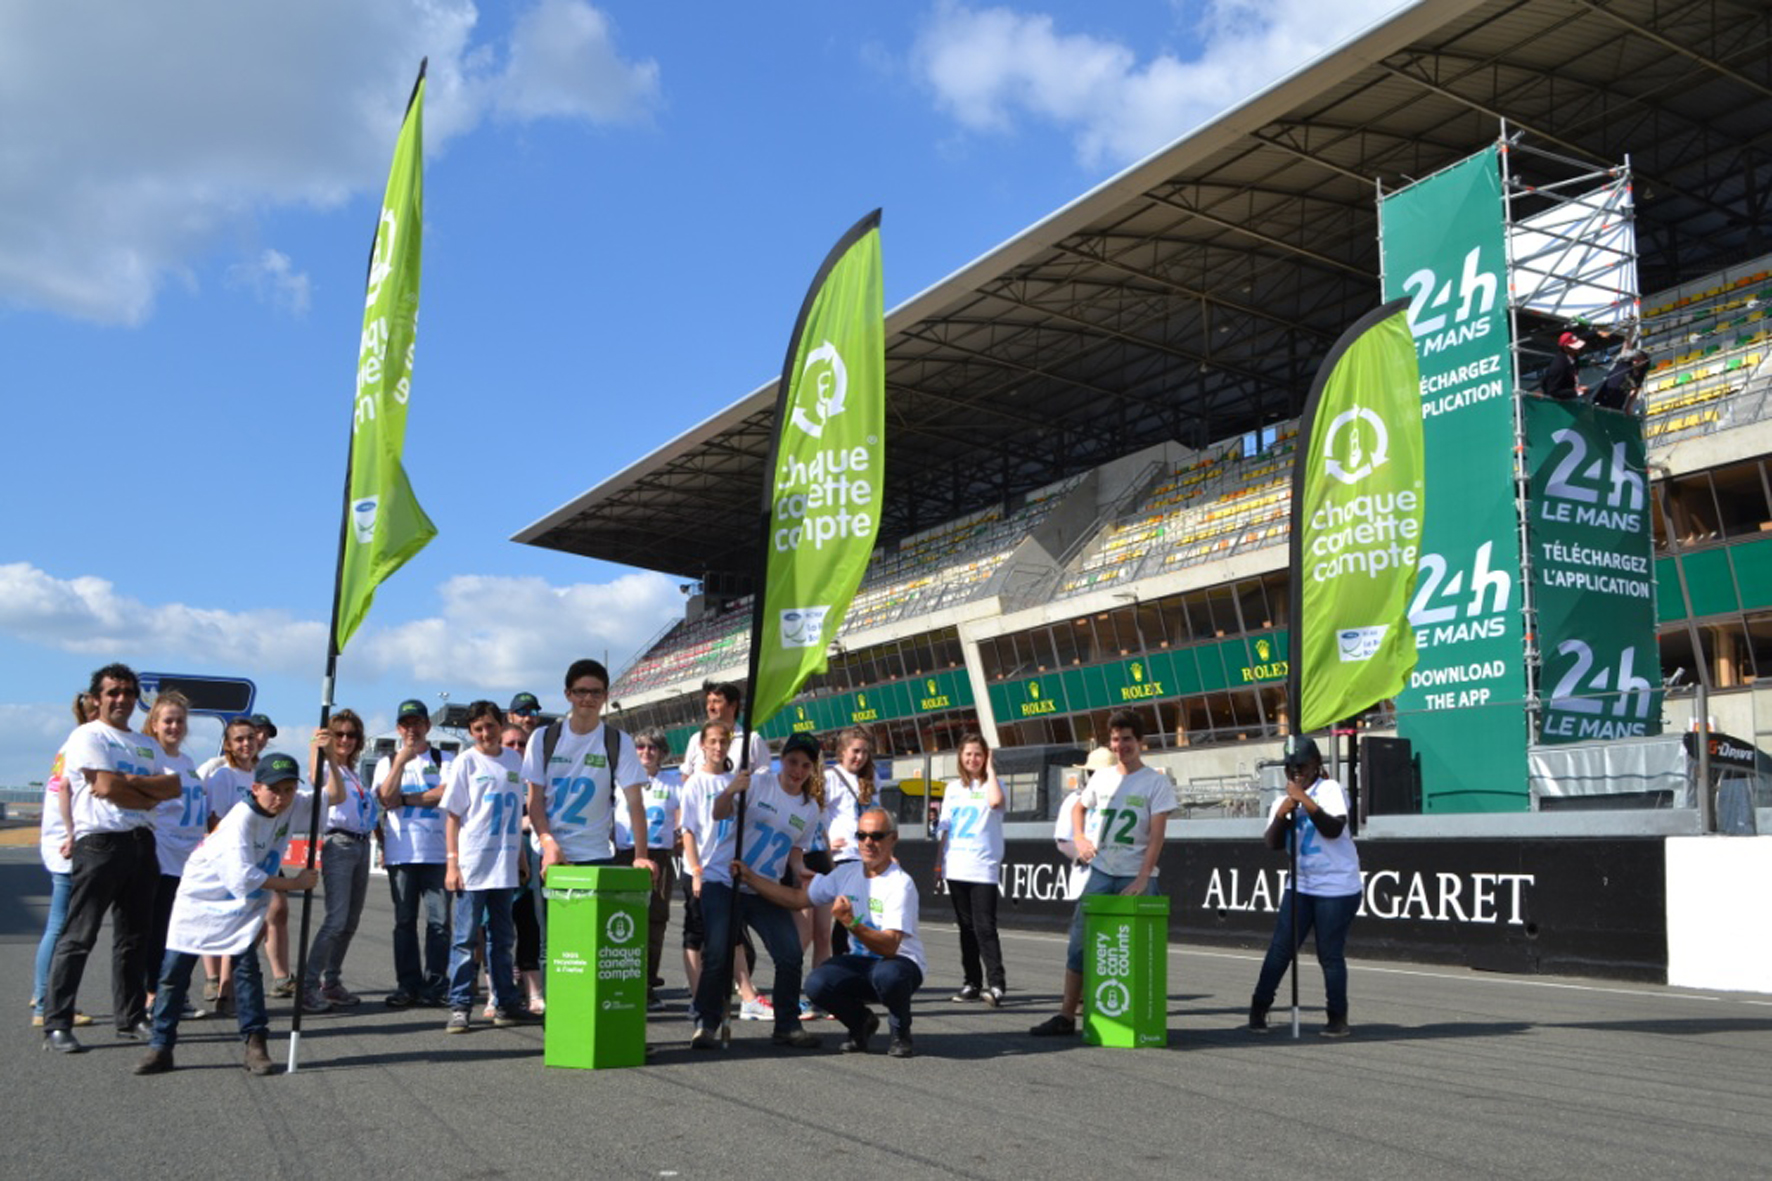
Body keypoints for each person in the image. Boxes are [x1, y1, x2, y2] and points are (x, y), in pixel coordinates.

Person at [133, 752, 319, 1076]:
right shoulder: (240, 820)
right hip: (201, 901)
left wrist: (326, 753)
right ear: (257, 787)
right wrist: (293, 883)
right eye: (275, 789)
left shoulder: (288, 808)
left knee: (247, 972)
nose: (282, 797)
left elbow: (329, 797)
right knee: (174, 974)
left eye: (289, 789)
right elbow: (243, 878)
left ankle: (255, 1043)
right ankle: (161, 1046)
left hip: (240, 907)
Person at [41, 664, 181, 1053]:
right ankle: (57, 1022)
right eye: (113, 692)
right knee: (79, 935)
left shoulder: (146, 744)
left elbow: (171, 788)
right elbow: (104, 787)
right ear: (97, 698)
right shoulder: (87, 735)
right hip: (100, 844)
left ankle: (132, 1016)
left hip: (143, 843)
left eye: (128, 693)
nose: (121, 699)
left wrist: (129, 784)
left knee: (135, 938)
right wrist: (138, 789)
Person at [1030, 709, 1176, 1037]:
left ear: (1140, 742)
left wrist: (1142, 876)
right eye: (1115, 739)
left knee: (1140, 945)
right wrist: (1080, 838)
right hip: (1102, 869)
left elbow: (1157, 835)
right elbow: (1079, 807)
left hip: (1136, 873)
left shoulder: (1156, 782)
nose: (1120, 745)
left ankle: (1141, 1011)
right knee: (1080, 942)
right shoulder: (1103, 777)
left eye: (1127, 739)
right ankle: (1067, 1015)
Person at [735, 806, 924, 1058]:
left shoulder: (900, 884)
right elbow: (796, 899)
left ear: (893, 839)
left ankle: (901, 1032)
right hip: (860, 963)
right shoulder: (846, 873)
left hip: (899, 964)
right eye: (862, 835)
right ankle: (861, 1024)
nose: (868, 843)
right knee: (817, 984)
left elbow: (889, 947)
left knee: (888, 975)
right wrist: (750, 878)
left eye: (877, 836)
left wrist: (851, 922)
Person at [688, 730, 824, 1051]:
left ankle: (787, 1026)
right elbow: (719, 813)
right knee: (719, 953)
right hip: (724, 879)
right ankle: (707, 1024)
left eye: (806, 765)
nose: (797, 771)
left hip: (764, 887)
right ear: (782, 759)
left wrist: (801, 872)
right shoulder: (759, 782)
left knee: (790, 953)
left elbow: (795, 851)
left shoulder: (809, 808)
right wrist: (730, 790)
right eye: (793, 762)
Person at [1248, 735, 1361, 1038]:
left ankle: (1337, 1016)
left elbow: (1334, 828)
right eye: (1289, 767)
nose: (1295, 771)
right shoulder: (1282, 800)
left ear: (1315, 765)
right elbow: (1271, 843)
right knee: (1280, 950)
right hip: (1301, 885)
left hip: (1337, 886)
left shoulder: (1331, 789)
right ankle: (1259, 1006)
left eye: (1301, 765)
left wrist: (1305, 800)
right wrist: (1285, 811)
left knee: (1330, 953)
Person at [441, 700, 534, 1033]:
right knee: (466, 939)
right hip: (473, 865)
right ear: (470, 732)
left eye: (490, 726)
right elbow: (452, 816)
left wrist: (521, 859)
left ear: (500, 725)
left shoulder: (513, 760)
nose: (484, 733)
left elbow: (513, 816)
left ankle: (507, 1002)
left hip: (504, 865)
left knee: (502, 938)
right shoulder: (466, 762)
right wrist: (452, 864)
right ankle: (460, 1005)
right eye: (477, 729)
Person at [522, 660, 655, 880]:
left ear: (605, 696)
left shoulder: (618, 741)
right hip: (552, 852)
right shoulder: (543, 738)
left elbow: (635, 802)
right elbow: (535, 800)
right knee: (548, 916)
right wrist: (548, 842)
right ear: (568, 694)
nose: (588, 699)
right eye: (581, 691)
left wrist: (641, 855)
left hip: (596, 854)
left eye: (596, 693)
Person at [678, 723, 767, 1022]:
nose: (719, 747)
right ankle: (698, 998)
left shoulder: (735, 781)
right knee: (698, 936)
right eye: (713, 741)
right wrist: (696, 870)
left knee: (732, 936)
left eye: (724, 742)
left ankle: (745, 994)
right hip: (702, 870)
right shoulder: (695, 783)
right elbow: (688, 830)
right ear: (702, 745)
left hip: (729, 871)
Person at [375, 698, 452, 1007]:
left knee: (439, 923)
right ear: (398, 728)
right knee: (404, 922)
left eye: (417, 723)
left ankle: (435, 986)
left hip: (437, 854)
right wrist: (400, 762)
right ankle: (407, 985)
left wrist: (406, 800)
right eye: (406, 725)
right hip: (401, 854)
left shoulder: (445, 757)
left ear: (427, 726)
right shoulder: (387, 761)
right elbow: (384, 797)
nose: (412, 729)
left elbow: (445, 793)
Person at [30, 692, 98, 1028]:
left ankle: (41, 992)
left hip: (63, 840)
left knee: (60, 922)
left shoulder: (69, 743)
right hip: (70, 844)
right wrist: (72, 834)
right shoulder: (82, 744)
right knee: (62, 925)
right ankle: (45, 1001)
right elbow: (65, 792)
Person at [300, 710, 374, 1012]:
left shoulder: (353, 772)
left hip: (361, 844)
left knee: (350, 921)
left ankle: (331, 981)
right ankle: (307, 986)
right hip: (339, 842)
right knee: (335, 919)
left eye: (351, 735)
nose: (345, 740)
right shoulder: (327, 765)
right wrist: (321, 748)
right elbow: (317, 777)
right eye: (339, 734)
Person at [141, 692, 208, 1010]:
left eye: (180, 721)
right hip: (162, 852)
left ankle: (175, 989)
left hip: (189, 856)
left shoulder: (188, 761)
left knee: (184, 930)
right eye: (168, 720)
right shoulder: (150, 757)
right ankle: (154, 991)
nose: (175, 726)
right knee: (160, 928)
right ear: (154, 724)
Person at [939, 733, 1007, 1006]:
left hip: (983, 867)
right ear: (960, 757)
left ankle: (997, 984)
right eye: (968, 754)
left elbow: (994, 803)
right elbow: (945, 827)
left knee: (985, 928)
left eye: (978, 754)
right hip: (956, 866)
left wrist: (990, 770)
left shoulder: (995, 784)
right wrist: (938, 862)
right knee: (965, 928)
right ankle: (972, 982)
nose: (972, 759)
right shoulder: (953, 788)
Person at [200, 716, 260, 1012]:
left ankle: (230, 985)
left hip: (259, 856)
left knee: (263, 920)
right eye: (239, 739)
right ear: (227, 745)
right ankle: (225, 989)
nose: (246, 744)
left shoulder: (259, 776)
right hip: (230, 859)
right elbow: (215, 822)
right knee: (235, 924)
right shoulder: (223, 777)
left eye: (250, 737)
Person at [618, 727, 681, 1008]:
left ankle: (648, 984)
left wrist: (680, 834)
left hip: (658, 857)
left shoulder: (673, 783)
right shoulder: (619, 779)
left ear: (662, 753)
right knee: (622, 918)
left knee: (655, 921)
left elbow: (685, 818)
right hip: (624, 854)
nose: (646, 752)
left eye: (652, 748)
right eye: (641, 747)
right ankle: (621, 980)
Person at [502, 722, 545, 1013]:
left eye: (522, 744)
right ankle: (498, 989)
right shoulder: (493, 772)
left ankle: (533, 988)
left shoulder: (535, 775)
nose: (517, 749)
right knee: (495, 928)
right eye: (511, 743)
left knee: (530, 923)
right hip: (497, 859)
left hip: (530, 859)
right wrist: (522, 824)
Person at [822, 727, 875, 952]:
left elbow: (876, 814)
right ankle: (840, 961)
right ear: (842, 751)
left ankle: (854, 959)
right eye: (855, 751)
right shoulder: (831, 777)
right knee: (846, 912)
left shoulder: (872, 779)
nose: (859, 757)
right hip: (844, 856)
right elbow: (816, 813)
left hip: (866, 856)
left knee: (861, 912)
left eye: (864, 752)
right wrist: (826, 843)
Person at [679, 681, 769, 777]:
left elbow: (762, 778)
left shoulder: (751, 740)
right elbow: (686, 776)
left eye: (716, 702)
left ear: (733, 705)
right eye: (708, 702)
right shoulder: (696, 739)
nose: (710, 707)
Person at [1593, 347, 1650, 413]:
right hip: (1605, 393)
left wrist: (1628, 407)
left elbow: (1634, 391)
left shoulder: (1639, 375)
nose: (1637, 359)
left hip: (1618, 400)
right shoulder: (1623, 363)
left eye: (1640, 358)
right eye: (1636, 357)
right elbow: (1625, 350)